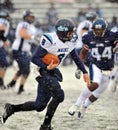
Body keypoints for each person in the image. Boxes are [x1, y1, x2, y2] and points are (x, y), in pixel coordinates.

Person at [0, 19, 91, 130]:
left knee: (39, 106)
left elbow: (75, 56)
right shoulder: (50, 39)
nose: (72, 35)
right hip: (40, 69)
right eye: (70, 33)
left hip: (51, 70)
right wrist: (46, 67)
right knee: (59, 95)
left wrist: (84, 71)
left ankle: (11, 108)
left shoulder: (71, 40)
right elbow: (34, 58)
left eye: (72, 32)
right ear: (62, 33)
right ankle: (45, 126)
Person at [68, 18, 118, 119]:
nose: (98, 32)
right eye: (96, 29)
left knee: (97, 94)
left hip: (108, 68)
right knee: (94, 84)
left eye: (100, 30)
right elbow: (83, 52)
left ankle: (84, 107)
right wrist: (79, 67)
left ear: (105, 29)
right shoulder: (88, 37)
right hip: (95, 64)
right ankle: (76, 104)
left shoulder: (112, 36)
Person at [6, 10, 40, 94]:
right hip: (19, 50)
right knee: (26, 70)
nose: (30, 18)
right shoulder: (24, 24)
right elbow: (23, 34)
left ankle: (12, 83)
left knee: (23, 69)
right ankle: (20, 88)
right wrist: (33, 37)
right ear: (25, 17)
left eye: (31, 17)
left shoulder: (29, 25)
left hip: (23, 50)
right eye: (29, 17)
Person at [0, 10, 10, 89]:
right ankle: (0, 82)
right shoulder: (4, 21)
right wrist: (5, 40)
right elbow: (1, 32)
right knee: (4, 64)